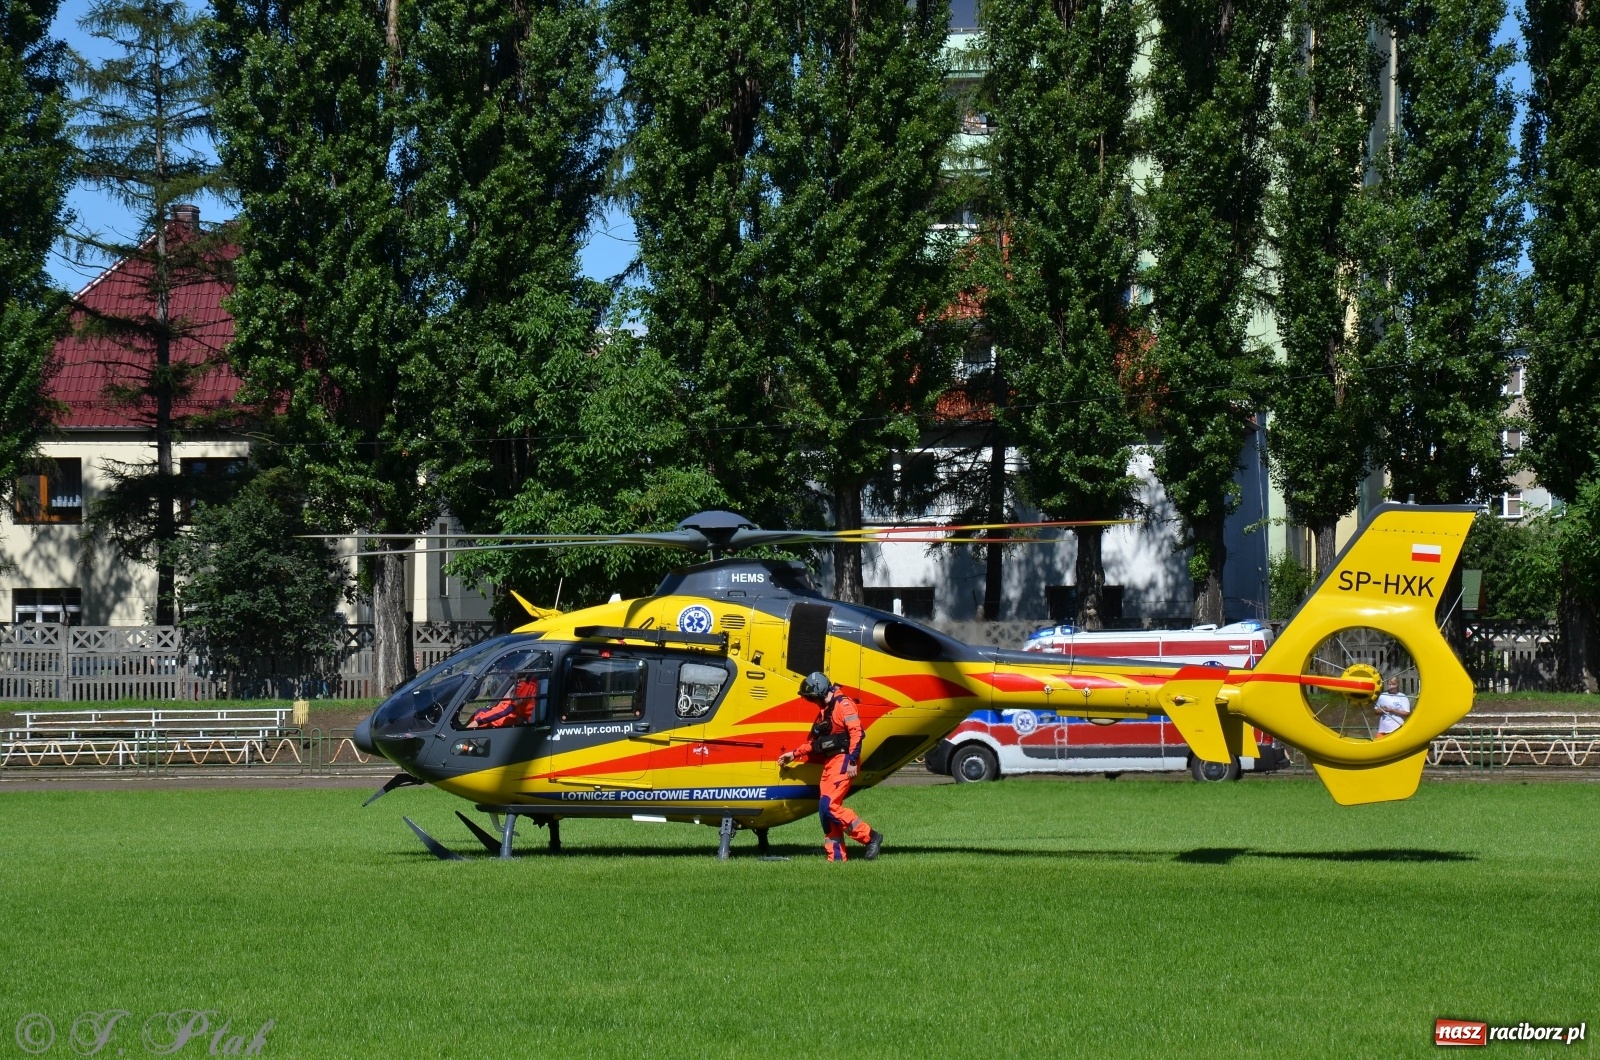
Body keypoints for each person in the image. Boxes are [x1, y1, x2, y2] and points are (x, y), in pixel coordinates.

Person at [778, 671, 884, 862]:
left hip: (844, 760)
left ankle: (871, 837)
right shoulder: (825, 709)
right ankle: (835, 856)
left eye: (811, 698)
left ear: (819, 693)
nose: (811, 702)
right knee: (825, 810)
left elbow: (857, 734)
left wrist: (852, 760)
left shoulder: (844, 705)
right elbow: (816, 742)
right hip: (831, 762)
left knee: (830, 806)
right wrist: (794, 754)